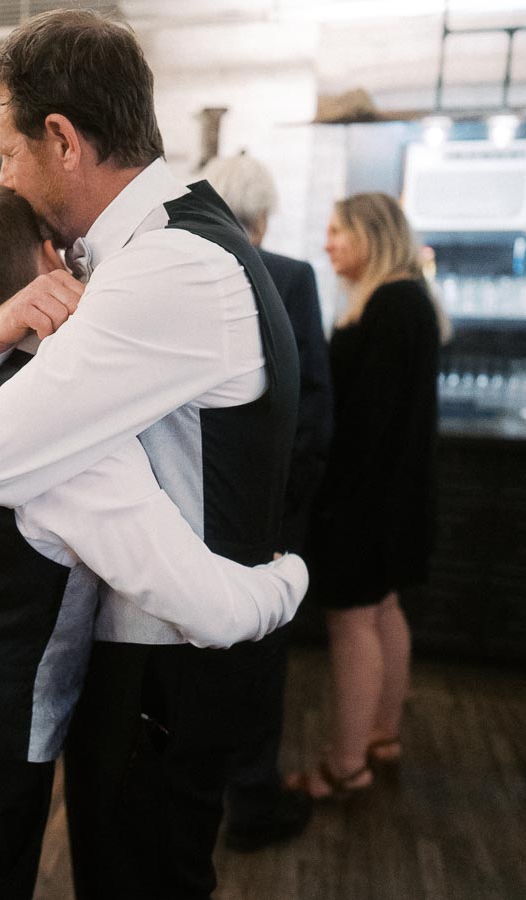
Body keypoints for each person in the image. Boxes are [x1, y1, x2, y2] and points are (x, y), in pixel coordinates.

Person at [0, 11, 300, 897]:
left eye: (7, 153)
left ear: (63, 139)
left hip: (164, 661)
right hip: (145, 651)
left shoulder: (166, 270)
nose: (4, 177)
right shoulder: (151, 249)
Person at [288, 192, 443, 800]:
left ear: (370, 236)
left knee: (353, 624)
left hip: (365, 501)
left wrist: (329, 496)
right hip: (397, 497)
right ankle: (382, 735)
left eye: (336, 231)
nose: (327, 243)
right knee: (383, 612)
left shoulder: (388, 303)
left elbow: (365, 421)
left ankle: (344, 765)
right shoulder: (408, 298)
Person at [202, 152, 335, 848]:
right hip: (271, 512)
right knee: (260, 655)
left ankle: (199, 793)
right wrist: (291, 504)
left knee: (197, 652)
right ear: (263, 214)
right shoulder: (291, 276)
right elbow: (314, 402)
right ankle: (251, 799)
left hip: (191, 505)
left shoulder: (181, 275)